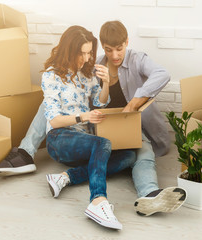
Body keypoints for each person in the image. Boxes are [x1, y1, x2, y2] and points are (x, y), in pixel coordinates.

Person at [0, 21, 186, 217]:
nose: (115, 55)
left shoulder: (136, 60)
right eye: (109, 50)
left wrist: (133, 103)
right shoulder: (92, 65)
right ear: (101, 46)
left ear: (127, 42)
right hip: (98, 127)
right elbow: (89, 103)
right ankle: (26, 153)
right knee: (49, 103)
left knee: (140, 153)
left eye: (120, 49)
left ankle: (149, 195)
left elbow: (162, 74)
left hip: (128, 127)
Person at [42, 25, 137, 229]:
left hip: (84, 140)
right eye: (81, 53)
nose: (86, 59)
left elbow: (101, 102)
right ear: (69, 50)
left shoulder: (86, 73)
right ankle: (98, 201)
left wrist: (105, 83)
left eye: (88, 53)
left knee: (129, 156)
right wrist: (83, 116)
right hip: (59, 138)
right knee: (102, 144)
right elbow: (54, 120)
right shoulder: (51, 76)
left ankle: (65, 177)